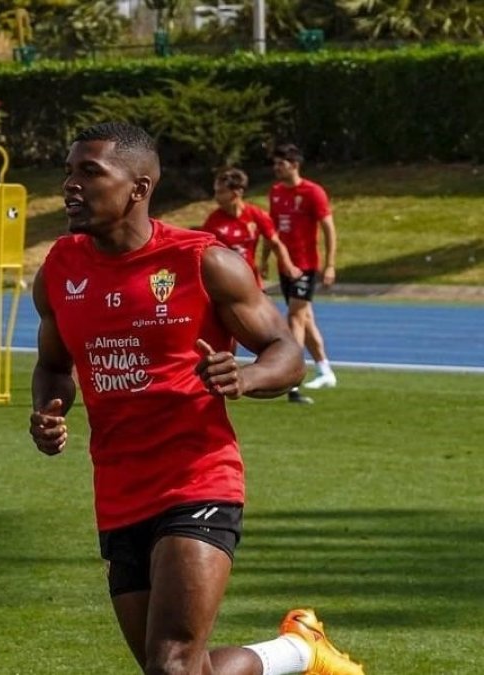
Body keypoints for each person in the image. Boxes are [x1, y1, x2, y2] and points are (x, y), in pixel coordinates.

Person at [28, 122, 364, 675]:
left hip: (198, 479)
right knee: (187, 669)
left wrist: (247, 377)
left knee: (173, 665)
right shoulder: (60, 270)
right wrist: (49, 409)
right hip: (117, 492)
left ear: (138, 188)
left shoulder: (202, 261)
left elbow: (285, 349)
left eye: (89, 173)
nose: (71, 186)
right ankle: (299, 651)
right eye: (68, 172)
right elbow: (53, 366)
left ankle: (298, 651)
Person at [266, 144, 339, 402]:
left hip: (305, 266)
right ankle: (325, 370)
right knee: (306, 320)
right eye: (275, 164)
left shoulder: (313, 192)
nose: (276, 168)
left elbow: (329, 229)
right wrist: (265, 259)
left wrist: (329, 264)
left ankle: (291, 375)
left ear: (294, 164)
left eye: (281, 164)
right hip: (285, 267)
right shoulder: (275, 192)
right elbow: (271, 230)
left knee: (295, 318)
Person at [201, 167, 301, 288]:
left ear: (237, 192)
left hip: (250, 279)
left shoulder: (256, 215)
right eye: (216, 192)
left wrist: (289, 266)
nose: (216, 197)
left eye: (221, 192)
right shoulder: (213, 221)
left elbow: (275, 243)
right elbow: (204, 252)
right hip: (224, 282)